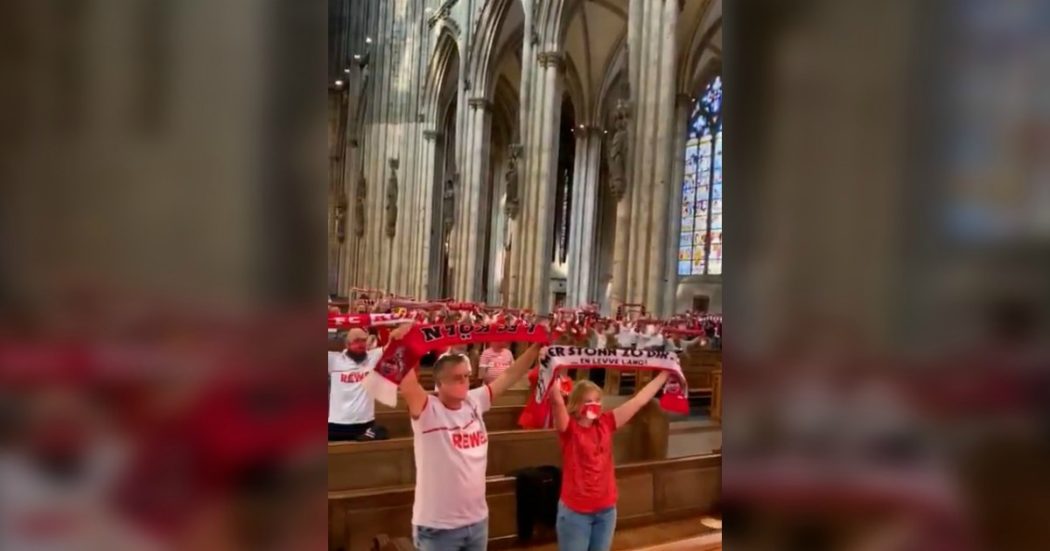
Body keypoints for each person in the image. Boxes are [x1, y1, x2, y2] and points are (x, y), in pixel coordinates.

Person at [398, 343, 542, 551]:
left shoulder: (474, 401)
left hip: (477, 521)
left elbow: (510, 374)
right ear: (440, 383)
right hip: (440, 527)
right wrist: (399, 344)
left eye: (466, 376)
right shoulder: (429, 409)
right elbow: (407, 383)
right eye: (457, 378)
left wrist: (535, 348)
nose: (465, 383)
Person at [549, 372, 670, 551]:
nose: (595, 405)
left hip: (606, 510)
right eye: (589, 401)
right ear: (577, 404)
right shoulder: (569, 429)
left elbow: (639, 401)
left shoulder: (606, 422)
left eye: (598, 400)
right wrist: (549, 370)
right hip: (576, 512)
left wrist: (665, 373)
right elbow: (557, 402)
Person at [327, 324, 411, 441]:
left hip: (365, 424)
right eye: (356, 341)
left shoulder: (373, 357)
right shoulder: (333, 360)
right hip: (337, 424)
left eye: (364, 340)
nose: (361, 344)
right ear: (347, 344)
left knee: (381, 432)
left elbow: (393, 346)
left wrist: (400, 331)